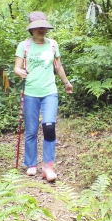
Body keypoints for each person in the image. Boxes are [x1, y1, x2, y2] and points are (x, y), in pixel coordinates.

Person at [14, 12, 73, 181]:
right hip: (31, 92)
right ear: (31, 29)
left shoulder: (53, 45)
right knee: (31, 130)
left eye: (43, 27)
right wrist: (20, 72)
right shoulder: (24, 46)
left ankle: (48, 166)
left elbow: (58, 67)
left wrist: (66, 83)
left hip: (49, 92)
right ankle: (31, 164)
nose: (41, 30)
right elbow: (16, 68)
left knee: (49, 127)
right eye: (37, 27)